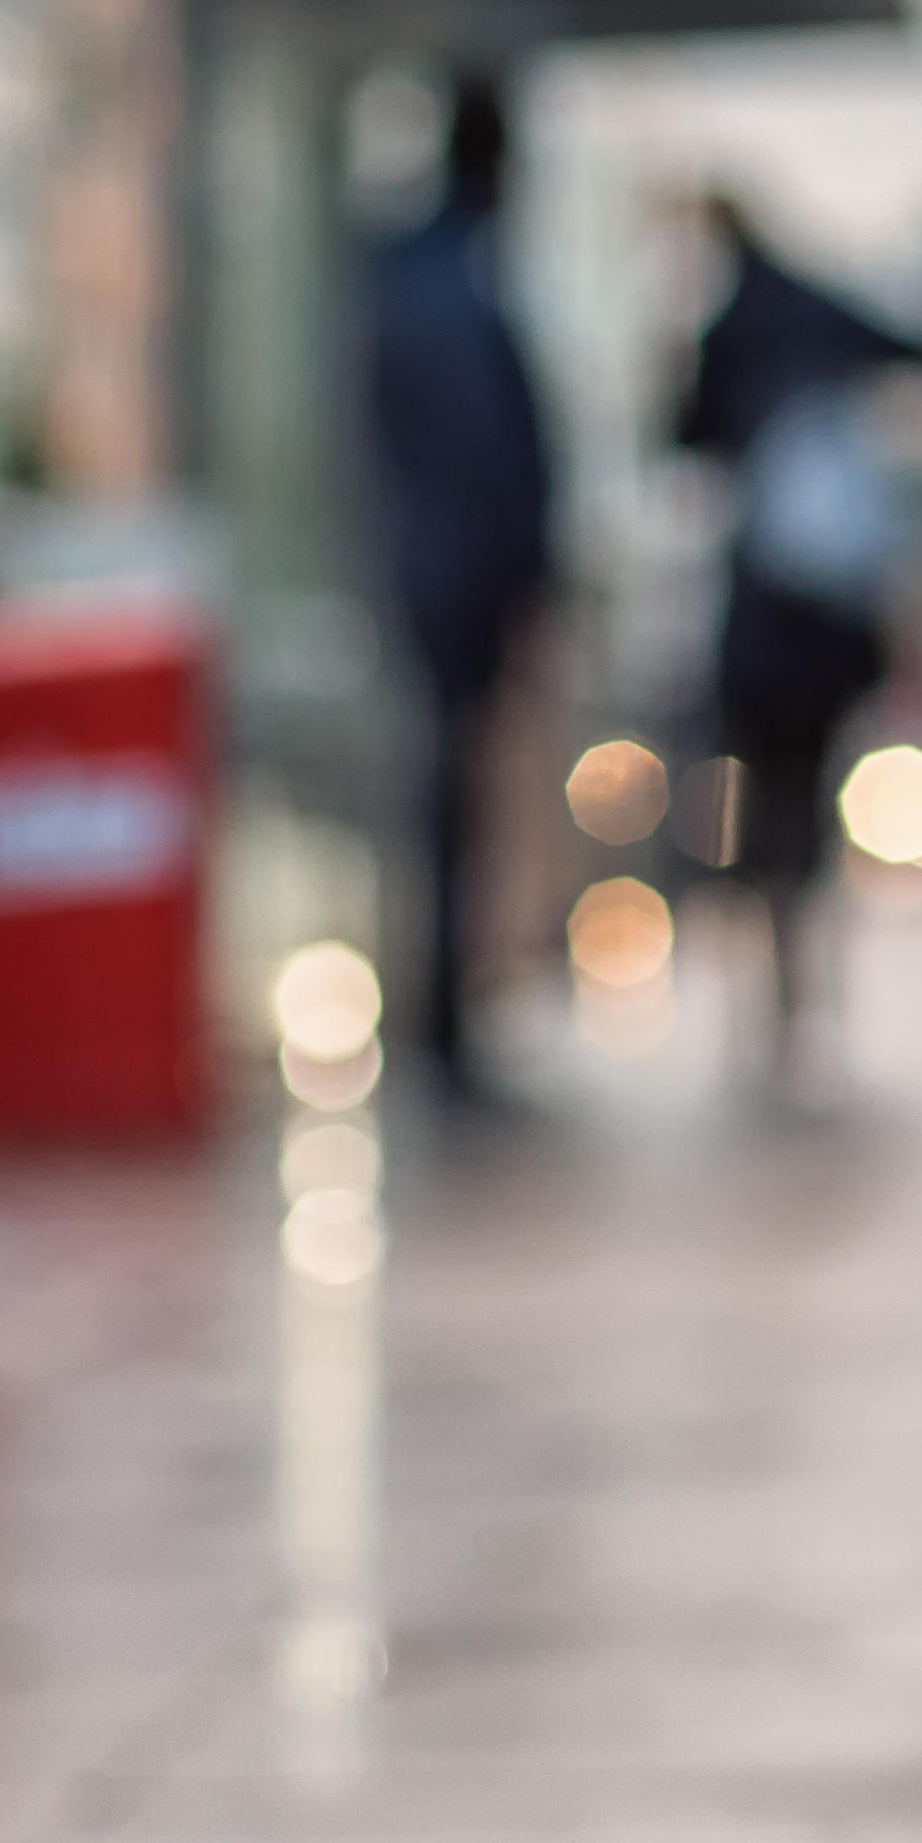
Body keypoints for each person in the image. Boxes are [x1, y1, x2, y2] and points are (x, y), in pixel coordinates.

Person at [673, 182, 922, 1083]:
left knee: (758, 804)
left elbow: (687, 439)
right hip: (828, 626)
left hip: (765, 616)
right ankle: (805, 987)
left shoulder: (731, 327)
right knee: (808, 801)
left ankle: (772, 989)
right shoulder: (819, 311)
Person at [362, 73, 556, 1103]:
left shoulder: (412, 268)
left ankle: (448, 1015)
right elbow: (484, 450)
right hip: (460, 580)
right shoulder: (460, 275)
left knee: (450, 798)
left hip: (434, 571)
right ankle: (445, 1025)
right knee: (453, 798)